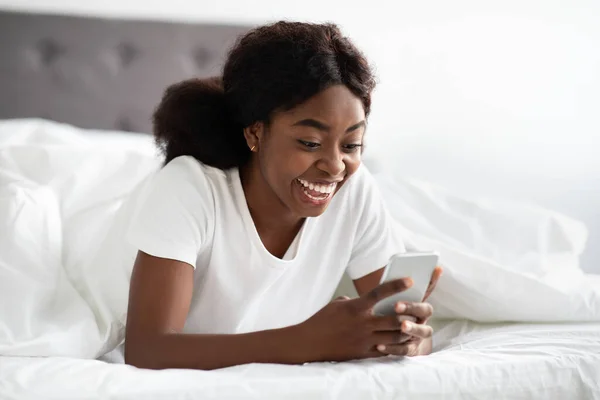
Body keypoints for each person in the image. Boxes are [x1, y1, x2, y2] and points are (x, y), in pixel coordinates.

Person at [124, 21, 442, 370]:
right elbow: (146, 350)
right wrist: (306, 342)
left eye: (352, 144)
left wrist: (410, 337)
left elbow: (403, 330)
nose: (335, 167)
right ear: (256, 132)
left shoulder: (355, 190)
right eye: (310, 143)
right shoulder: (190, 188)